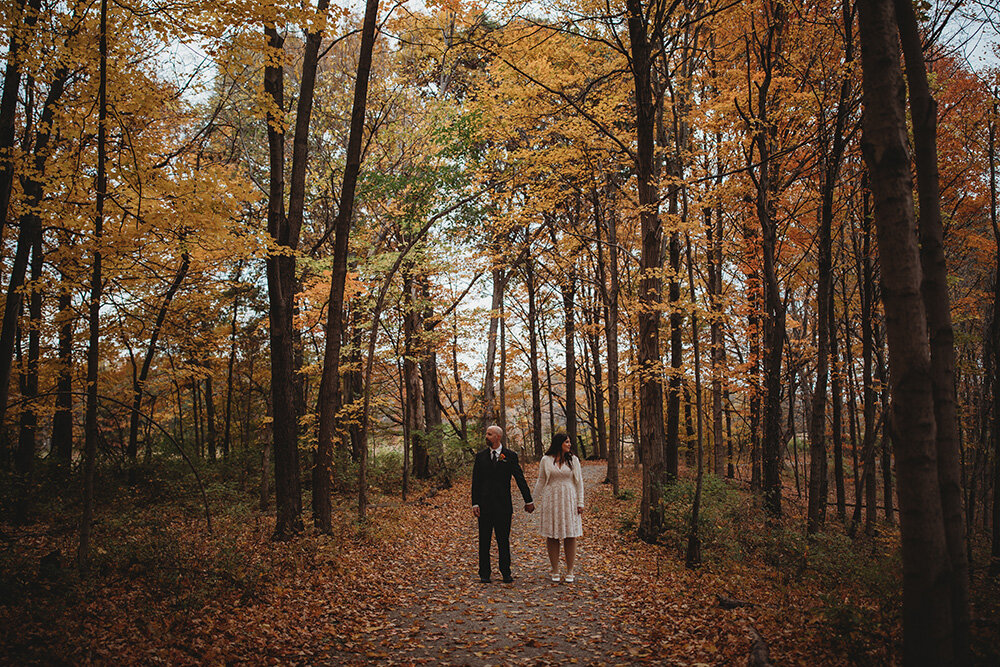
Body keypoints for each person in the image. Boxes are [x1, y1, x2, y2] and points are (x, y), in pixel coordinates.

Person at [471, 425, 534, 583]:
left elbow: (519, 478)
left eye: (489, 434)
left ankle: (506, 572)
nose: (486, 436)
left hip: (503, 505)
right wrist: (475, 503)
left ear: (498, 437)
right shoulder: (480, 457)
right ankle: (484, 573)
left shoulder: (510, 456)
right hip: (484, 505)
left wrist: (528, 500)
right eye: (486, 433)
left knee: (503, 540)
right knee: (484, 540)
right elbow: (476, 482)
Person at [533, 432, 584, 583]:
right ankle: (555, 569)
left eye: (569, 442)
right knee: (552, 534)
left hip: (569, 498)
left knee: (570, 534)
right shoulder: (546, 460)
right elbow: (541, 481)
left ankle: (570, 571)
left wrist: (580, 502)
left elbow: (579, 482)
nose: (569, 444)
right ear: (559, 443)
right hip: (551, 499)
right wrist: (532, 500)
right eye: (566, 442)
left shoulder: (573, 460)